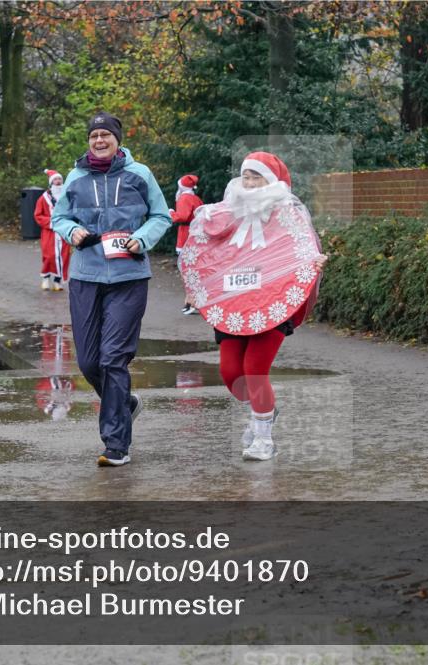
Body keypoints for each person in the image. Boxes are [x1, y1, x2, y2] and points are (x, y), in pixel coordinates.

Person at [179, 152, 327, 461]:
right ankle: (264, 410)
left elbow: (301, 248)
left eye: (256, 176)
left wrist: (314, 262)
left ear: (271, 182)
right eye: (245, 175)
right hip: (233, 305)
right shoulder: (225, 213)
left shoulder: (288, 214)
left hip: (273, 304)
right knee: (231, 372)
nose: (248, 182)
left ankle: (264, 440)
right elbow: (207, 253)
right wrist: (197, 287)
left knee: (254, 371)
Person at [51, 111, 172, 467]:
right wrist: (71, 231)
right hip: (86, 276)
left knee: (112, 359)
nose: (99, 140)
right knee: (89, 362)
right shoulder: (75, 177)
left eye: (106, 135)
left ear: (118, 140)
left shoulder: (140, 174)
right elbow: (60, 217)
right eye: (94, 136)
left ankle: (116, 445)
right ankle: (125, 404)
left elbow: (161, 215)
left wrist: (141, 239)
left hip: (128, 278)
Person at [170, 174, 204, 314]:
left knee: (187, 269)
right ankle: (191, 300)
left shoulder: (184, 198)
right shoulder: (196, 198)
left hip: (186, 235)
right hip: (197, 235)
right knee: (195, 269)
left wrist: (170, 213)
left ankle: (192, 302)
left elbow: (182, 216)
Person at [35, 169, 71, 291]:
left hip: (63, 232)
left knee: (64, 256)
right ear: (51, 182)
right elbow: (38, 215)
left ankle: (57, 281)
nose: (58, 181)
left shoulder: (66, 196)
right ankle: (45, 278)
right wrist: (51, 222)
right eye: (55, 179)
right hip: (49, 232)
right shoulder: (43, 198)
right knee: (49, 256)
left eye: (60, 179)